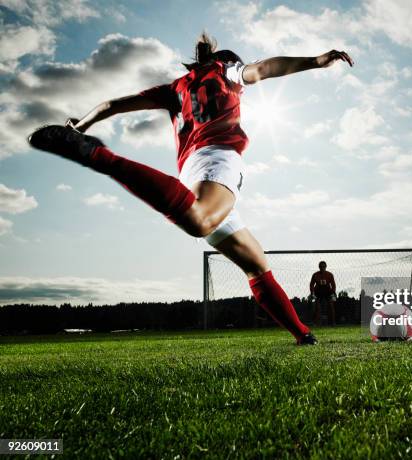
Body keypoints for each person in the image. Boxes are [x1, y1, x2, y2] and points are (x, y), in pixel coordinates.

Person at [27, 32, 354, 345]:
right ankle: (100, 157)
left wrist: (81, 124)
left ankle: (302, 334)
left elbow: (113, 104)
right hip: (217, 161)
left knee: (255, 264)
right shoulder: (226, 71)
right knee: (199, 221)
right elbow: (264, 68)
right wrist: (316, 60)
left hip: (192, 175)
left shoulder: (174, 88)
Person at [309, 261, 337, 326]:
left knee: (331, 306)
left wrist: (333, 293)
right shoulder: (315, 275)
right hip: (318, 292)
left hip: (327, 291)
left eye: (323, 267)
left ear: (326, 267)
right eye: (321, 267)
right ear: (319, 267)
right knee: (317, 307)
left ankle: (333, 322)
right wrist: (312, 293)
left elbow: (333, 285)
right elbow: (311, 284)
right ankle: (316, 323)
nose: (322, 268)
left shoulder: (330, 274)